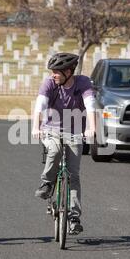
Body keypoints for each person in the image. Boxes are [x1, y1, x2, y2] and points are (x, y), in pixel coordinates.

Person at [32, 53, 96, 235]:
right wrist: (36, 127)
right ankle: (47, 183)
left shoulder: (83, 83)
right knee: (55, 149)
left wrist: (91, 128)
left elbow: (91, 106)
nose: (53, 75)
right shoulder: (49, 84)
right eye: (52, 72)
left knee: (73, 175)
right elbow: (39, 107)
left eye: (57, 72)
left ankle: (74, 218)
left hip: (75, 133)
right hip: (50, 130)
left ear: (68, 72)